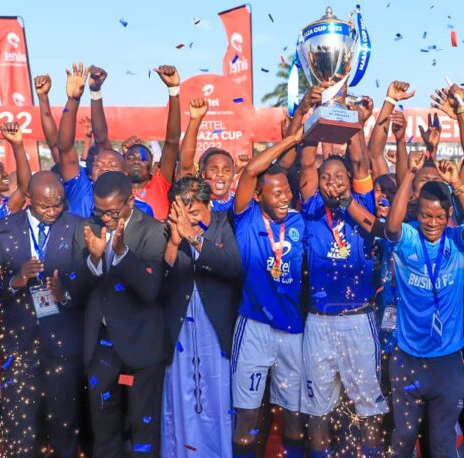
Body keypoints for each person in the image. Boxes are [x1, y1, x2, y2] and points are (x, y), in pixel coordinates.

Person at [297, 91, 389, 458]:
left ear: (351, 180)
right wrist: (315, 112)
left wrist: (351, 119)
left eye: (339, 177)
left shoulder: (361, 201)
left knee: (369, 406)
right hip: (319, 322)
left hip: (358, 319)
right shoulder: (311, 207)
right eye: (326, 178)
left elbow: (360, 158)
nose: (333, 183)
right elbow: (306, 160)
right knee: (317, 409)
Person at [385, 153, 464, 457]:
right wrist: (409, 174)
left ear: (449, 215)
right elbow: (392, 225)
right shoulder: (408, 238)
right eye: (426, 216)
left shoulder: (456, 240)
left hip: (447, 360)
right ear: (416, 212)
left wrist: (457, 185)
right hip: (407, 357)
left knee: (442, 442)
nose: (432, 223)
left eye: (439, 217)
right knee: (403, 438)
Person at [0, 168, 84, 457]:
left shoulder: (77, 227)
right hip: (19, 346)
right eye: (44, 206)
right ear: (28, 198)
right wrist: (15, 281)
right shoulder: (5, 229)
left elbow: (91, 283)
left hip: (62, 346)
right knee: (21, 431)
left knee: (64, 428)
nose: (53, 211)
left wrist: (65, 293)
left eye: (58, 204)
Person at [70, 171, 167, 456]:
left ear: (130, 202)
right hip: (101, 348)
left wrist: (122, 253)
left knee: (143, 432)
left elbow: (150, 289)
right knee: (104, 432)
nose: (105, 218)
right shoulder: (86, 229)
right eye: (99, 210)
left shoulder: (153, 231)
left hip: (142, 346)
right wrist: (94, 259)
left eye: (112, 212)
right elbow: (74, 287)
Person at [230, 127, 305, 458]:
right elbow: (250, 171)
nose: (284, 198)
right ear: (259, 196)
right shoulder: (245, 218)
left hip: (292, 329)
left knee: (294, 416)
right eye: (276, 193)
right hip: (254, 327)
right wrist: (291, 139)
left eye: (287, 191)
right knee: (247, 417)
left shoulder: (299, 222)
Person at [161, 175, 241, 457]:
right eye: (182, 213)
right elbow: (158, 284)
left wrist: (194, 238)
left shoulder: (222, 224)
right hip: (179, 329)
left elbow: (232, 267)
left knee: (217, 395)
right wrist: (173, 243)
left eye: (194, 212)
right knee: (182, 394)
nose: (188, 220)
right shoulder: (166, 228)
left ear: (209, 206)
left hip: (214, 327)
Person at [56, 64, 154, 218]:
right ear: (91, 173)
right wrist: (73, 100)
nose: (105, 168)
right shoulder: (81, 191)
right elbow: (65, 148)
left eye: (112, 165)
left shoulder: (141, 210)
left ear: (125, 173)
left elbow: (101, 140)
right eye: (99, 165)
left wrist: (96, 92)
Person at [0, 122, 30, 446]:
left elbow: (25, 186)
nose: (4, 174)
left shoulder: (3, 208)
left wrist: (17, 144)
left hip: (2, 299)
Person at [124, 65, 183, 220]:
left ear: (152, 169)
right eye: (131, 158)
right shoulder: (117, 189)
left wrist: (173, 90)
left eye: (142, 159)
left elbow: (172, 142)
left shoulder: (160, 183)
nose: (136, 161)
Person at [178, 97, 244, 211]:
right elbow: (185, 164)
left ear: (233, 174)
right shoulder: (195, 198)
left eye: (227, 170)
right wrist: (195, 120)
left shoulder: (241, 202)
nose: (220, 174)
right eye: (213, 169)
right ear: (203, 174)